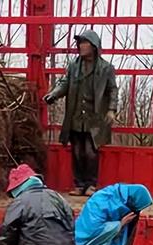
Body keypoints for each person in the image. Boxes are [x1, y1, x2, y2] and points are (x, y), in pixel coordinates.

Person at [44, 29, 118, 197]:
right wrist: (53, 94)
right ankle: (79, 185)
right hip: (76, 115)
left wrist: (112, 109)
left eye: (85, 43)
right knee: (77, 151)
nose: (81, 46)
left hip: (95, 116)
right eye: (80, 43)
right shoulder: (73, 66)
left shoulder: (106, 68)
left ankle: (91, 184)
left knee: (91, 152)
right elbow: (64, 84)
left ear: (94, 46)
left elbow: (113, 90)